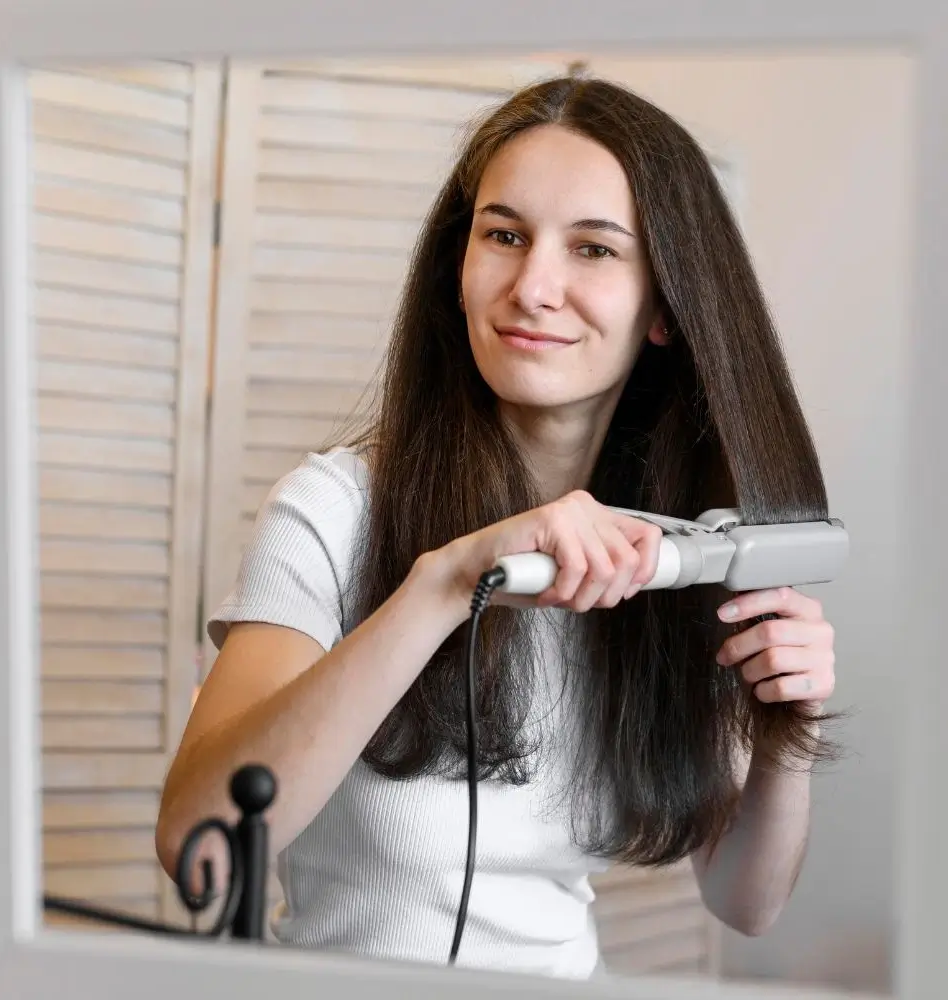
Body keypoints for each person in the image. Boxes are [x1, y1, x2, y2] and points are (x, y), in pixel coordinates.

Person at [155, 73, 839, 982]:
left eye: (594, 250)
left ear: (667, 306)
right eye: (504, 236)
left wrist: (788, 730)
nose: (533, 287)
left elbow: (745, 903)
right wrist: (440, 586)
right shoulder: (331, 514)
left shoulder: (675, 560)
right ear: (459, 267)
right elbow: (199, 843)